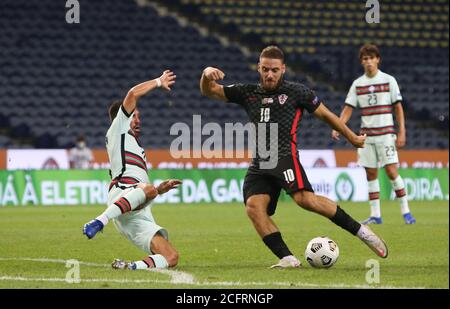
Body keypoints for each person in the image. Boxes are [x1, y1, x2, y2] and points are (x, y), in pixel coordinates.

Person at [200, 45, 388, 268]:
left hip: (284, 157)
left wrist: (353, 137)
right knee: (253, 207)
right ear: (258, 68)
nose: (270, 74)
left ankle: (362, 231)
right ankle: (287, 258)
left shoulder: (297, 92)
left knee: (305, 200)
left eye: (275, 70)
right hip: (260, 162)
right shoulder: (247, 92)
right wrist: (205, 74)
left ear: (283, 70)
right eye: (266, 69)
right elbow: (209, 90)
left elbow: (326, 115)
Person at [82, 70, 182, 270]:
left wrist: (160, 190)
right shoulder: (117, 130)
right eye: (134, 116)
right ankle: (99, 221)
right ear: (122, 118)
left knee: (171, 257)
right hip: (122, 192)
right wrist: (158, 81)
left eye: (139, 117)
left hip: (138, 212)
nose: (138, 120)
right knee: (148, 189)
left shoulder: (136, 147)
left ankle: (129, 267)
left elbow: (147, 189)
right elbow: (132, 94)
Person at [332, 44, 416, 225]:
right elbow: (348, 108)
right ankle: (376, 215)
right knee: (370, 174)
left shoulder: (388, 80)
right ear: (362, 62)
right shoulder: (358, 84)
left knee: (392, 172)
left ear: (378, 59)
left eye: (372, 58)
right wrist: (338, 125)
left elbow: (398, 107)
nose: (369, 62)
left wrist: (402, 132)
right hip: (367, 137)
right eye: (365, 59)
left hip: (386, 134)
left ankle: (406, 212)